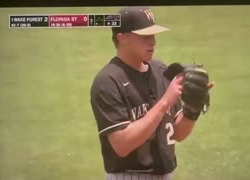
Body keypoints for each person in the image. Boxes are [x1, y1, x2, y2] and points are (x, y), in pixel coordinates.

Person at [90, 6, 213, 180]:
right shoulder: (108, 81)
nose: (153, 42)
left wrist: (192, 110)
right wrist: (165, 102)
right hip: (128, 176)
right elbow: (122, 145)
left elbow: (177, 133)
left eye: (153, 35)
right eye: (145, 36)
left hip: (165, 174)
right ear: (122, 38)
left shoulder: (161, 71)